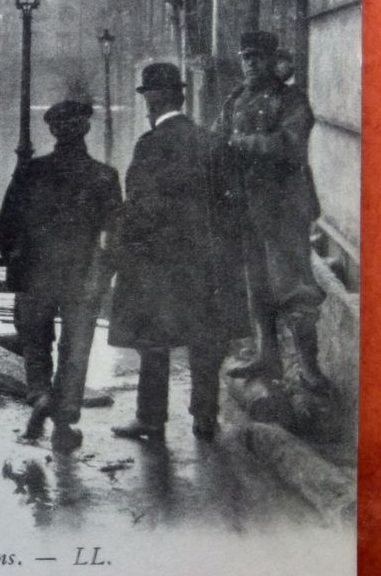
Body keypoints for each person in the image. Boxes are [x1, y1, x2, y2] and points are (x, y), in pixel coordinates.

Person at [109, 64, 248, 443]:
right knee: (205, 338)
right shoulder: (213, 142)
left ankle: (151, 419)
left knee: (155, 343)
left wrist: (125, 255)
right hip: (206, 262)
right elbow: (233, 208)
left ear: (151, 102)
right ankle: (205, 418)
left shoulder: (150, 145)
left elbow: (138, 207)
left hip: (160, 264)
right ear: (181, 98)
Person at [0, 99, 122, 453]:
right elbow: (116, 238)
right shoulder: (105, 176)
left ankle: (39, 394)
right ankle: (64, 422)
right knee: (76, 348)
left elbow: (3, 228)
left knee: (35, 342)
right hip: (82, 275)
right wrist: (103, 273)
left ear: (52, 130)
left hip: (36, 273)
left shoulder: (30, 171)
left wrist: (17, 265)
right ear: (87, 129)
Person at [219, 31, 330, 392]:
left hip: (285, 206)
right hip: (246, 205)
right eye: (245, 57)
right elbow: (219, 139)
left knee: (296, 287)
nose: (250, 63)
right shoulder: (235, 99)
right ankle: (267, 355)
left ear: (271, 59)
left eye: (257, 57)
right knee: (257, 285)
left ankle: (310, 367)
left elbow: (291, 145)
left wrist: (240, 144)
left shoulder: (292, 98)